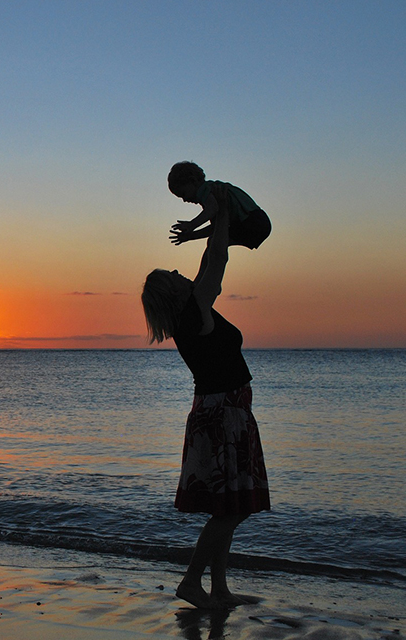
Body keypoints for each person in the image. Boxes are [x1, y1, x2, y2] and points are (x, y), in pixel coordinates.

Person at [141, 203, 271, 609]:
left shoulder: (192, 313)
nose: (183, 275)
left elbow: (208, 257)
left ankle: (219, 589)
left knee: (228, 507)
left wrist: (215, 223)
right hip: (223, 417)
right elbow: (216, 258)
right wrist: (223, 223)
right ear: (174, 291)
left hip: (223, 413)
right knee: (230, 512)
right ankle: (191, 583)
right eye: (175, 276)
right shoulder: (194, 315)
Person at [167, 161, 271, 253]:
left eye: (184, 194)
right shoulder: (211, 193)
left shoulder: (207, 190)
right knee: (215, 240)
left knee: (214, 243)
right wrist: (191, 236)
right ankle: (207, 273)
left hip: (253, 221)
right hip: (259, 222)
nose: (185, 200)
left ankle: (207, 274)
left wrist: (192, 225)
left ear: (193, 181)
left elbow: (212, 209)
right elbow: (216, 227)